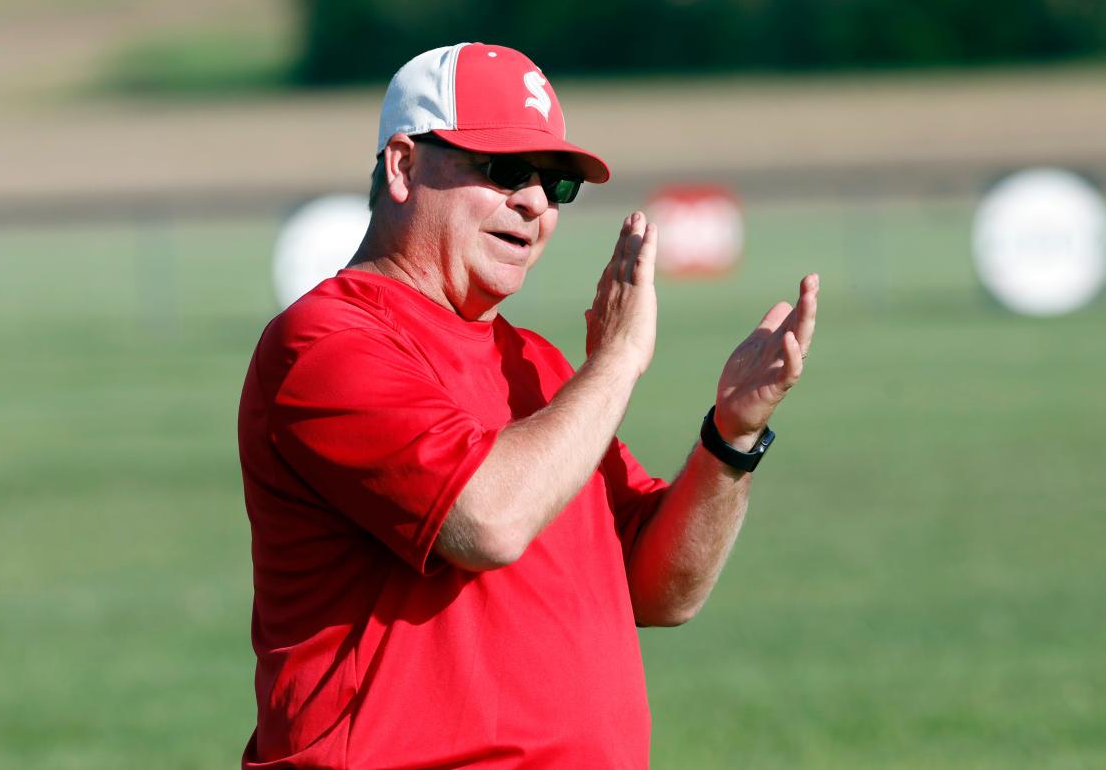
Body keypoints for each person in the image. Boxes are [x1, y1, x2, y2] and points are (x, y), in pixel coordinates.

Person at [238, 42, 819, 768]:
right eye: (505, 170)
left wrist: (731, 437)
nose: (535, 202)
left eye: (556, 186)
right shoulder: (328, 341)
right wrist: (616, 362)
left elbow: (660, 589)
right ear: (402, 165)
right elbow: (486, 520)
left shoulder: (537, 366)